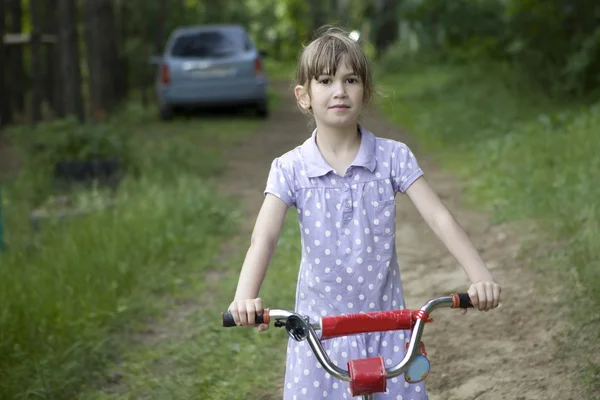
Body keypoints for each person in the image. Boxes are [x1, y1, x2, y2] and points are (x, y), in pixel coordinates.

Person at [228, 26, 501, 400]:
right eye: (325, 81)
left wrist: (479, 276)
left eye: (350, 79)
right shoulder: (289, 169)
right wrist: (245, 296)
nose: (339, 90)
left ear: (365, 91)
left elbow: (439, 218)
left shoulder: (393, 158)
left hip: (386, 328)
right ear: (304, 96)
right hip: (319, 332)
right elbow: (265, 236)